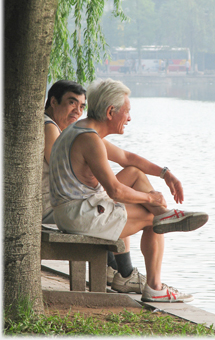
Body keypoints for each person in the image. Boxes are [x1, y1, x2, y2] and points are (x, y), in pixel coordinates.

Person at [49, 78, 208, 302]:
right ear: (111, 111)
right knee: (153, 219)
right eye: (127, 112)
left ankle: (165, 214)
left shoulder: (81, 129)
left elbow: (127, 158)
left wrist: (165, 173)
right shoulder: (89, 140)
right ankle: (155, 287)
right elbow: (114, 191)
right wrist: (149, 197)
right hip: (79, 216)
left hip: (74, 211)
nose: (130, 118)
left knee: (134, 172)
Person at [42, 80, 144, 292]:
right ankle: (123, 272)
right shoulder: (49, 126)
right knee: (114, 201)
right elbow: (62, 170)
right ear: (53, 101)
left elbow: (125, 156)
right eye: (72, 103)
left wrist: (164, 172)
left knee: (116, 193)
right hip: (51, 207)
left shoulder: (72, 131)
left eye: (82, 106)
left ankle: (115, 268)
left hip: (62, 203)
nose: (77, 111)